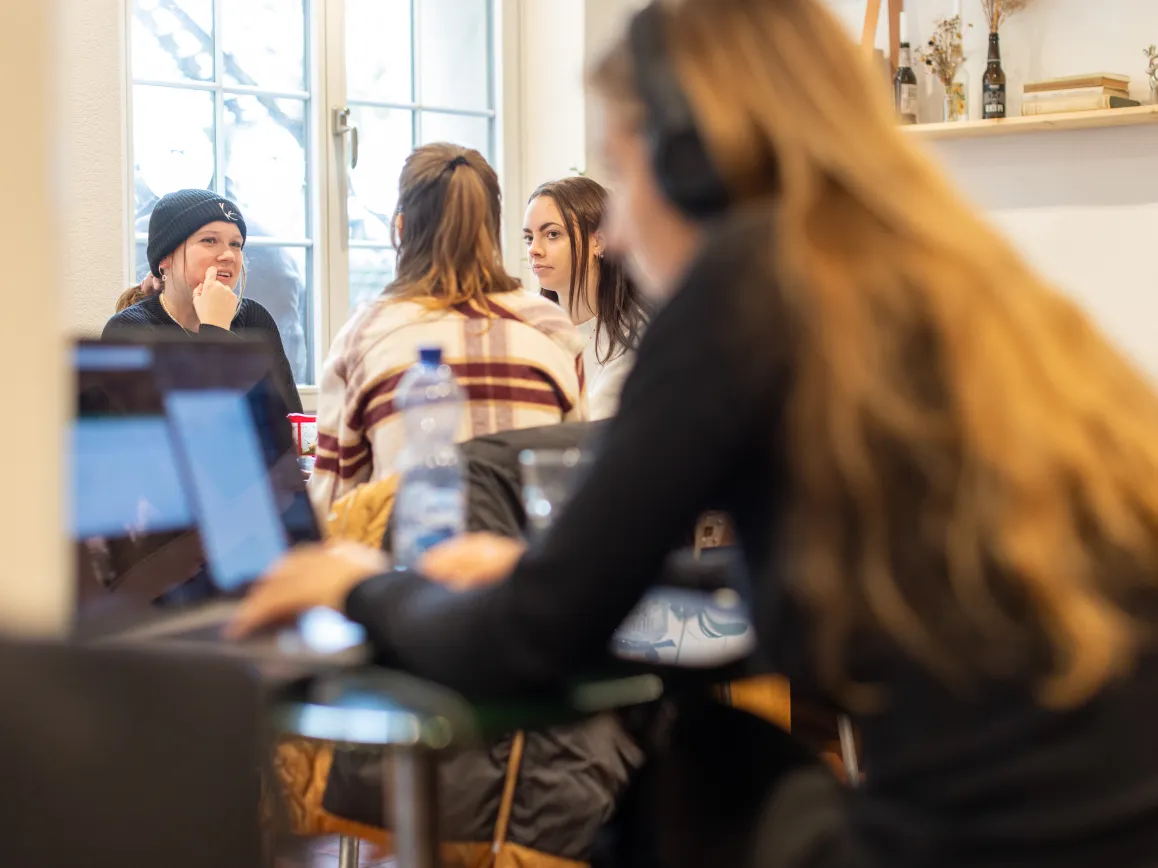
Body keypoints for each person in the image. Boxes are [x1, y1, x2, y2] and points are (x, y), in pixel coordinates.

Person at [232, 1, 1158, 866]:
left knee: (691, 772)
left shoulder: (749, 290)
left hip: (972, 845)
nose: (618, 236)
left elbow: (523, 646)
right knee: (721, 754)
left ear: (693, 160)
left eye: (625, 172)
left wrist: (363, 587)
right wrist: (551, 576)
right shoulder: (960, 283)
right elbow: (796, 577)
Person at [308, 143, 587, 512]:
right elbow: (577, 477)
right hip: (531, 564)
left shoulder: (365, 335)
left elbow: (330, 508)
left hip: (410, 561)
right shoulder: (552, 329)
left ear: (402, 227)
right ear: (494, 230)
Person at [105, 188, 302, 413]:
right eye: (209, 240)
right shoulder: (130, 329)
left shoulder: (255, 320)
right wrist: (216, 331)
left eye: (236, 244)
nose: (228, 255)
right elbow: (192, 429)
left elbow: (288, 427)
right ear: (165, 258)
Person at [525, 177, 649, 419]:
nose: (533, 249)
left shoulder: (633, 338)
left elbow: (592, 428)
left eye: (551, 234)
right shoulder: (529, 333)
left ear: (598, 241)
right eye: (529, 237)